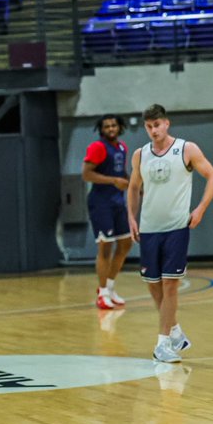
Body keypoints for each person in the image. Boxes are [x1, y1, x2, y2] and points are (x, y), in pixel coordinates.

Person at [127, 104, 213, 363]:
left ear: (166, 123)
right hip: (148, 229)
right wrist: (131, 218)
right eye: (148, 126)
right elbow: (133, 187)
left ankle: (162, 344)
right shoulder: (140, 155)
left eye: (157, 125)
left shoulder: (186, 149)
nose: (153, 130)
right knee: (153, 285)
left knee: (170, 285)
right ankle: (176, 332)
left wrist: (200, 208)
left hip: (176, 227)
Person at [82, 114, 133, 310]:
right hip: (100, 203)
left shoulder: (122, 147)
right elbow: (86, 174)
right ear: (101, 130)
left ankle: (110, 287)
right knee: (105, 248)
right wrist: (113, 181)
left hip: (117, 202)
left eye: (113, 125)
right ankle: (102, 293)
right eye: (106, 126)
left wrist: (135, 185)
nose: (110, 128)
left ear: (119, 127)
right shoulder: (97, 147)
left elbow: (121, 174)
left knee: (126, 244)